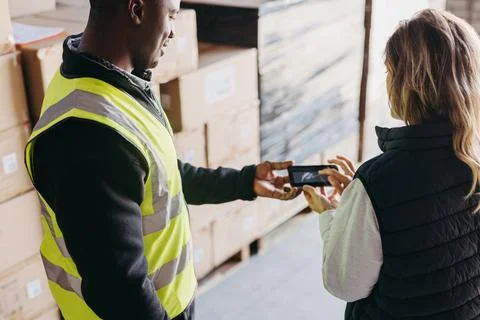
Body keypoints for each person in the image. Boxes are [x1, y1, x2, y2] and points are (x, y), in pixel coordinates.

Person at [23, 0, 299, 319]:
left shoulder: (116, 83)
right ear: (137, 9)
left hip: (169, 303)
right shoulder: (88, 136)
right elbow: (119, 288)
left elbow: (161, 177)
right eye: (170, 15)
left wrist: (245, 181)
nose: (171, 32)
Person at [303, 9, 480, 320]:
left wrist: (332, 213)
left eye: (388, 71)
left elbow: (345, 284)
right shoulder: (473, 157)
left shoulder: (378, 180)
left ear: (405, 84)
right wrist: (358, 203)